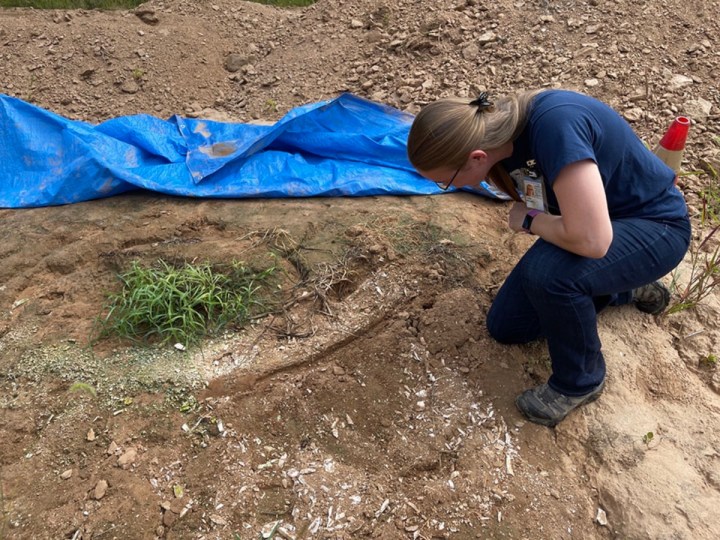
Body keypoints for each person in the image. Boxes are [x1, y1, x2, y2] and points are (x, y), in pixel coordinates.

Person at [406, 89, 691, 427]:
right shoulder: (505, 144)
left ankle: (580, 381)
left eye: (445, 181)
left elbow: (593, 240)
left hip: (656, 228)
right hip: (601, 224)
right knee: (507, 326)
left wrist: (529, 220)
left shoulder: (555, 127)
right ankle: (622, 287)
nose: (448, 187)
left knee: (549, 275)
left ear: (476, 157)